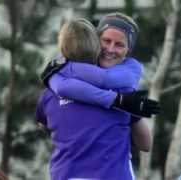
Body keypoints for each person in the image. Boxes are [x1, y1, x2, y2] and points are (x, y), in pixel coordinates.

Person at [36, 14, 158, 180]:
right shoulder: (123, 93)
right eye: (106, 41)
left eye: (119, 44)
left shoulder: (50, 90)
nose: (110, 49)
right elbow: (145, 144)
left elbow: (44, 126)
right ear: (94, 40)